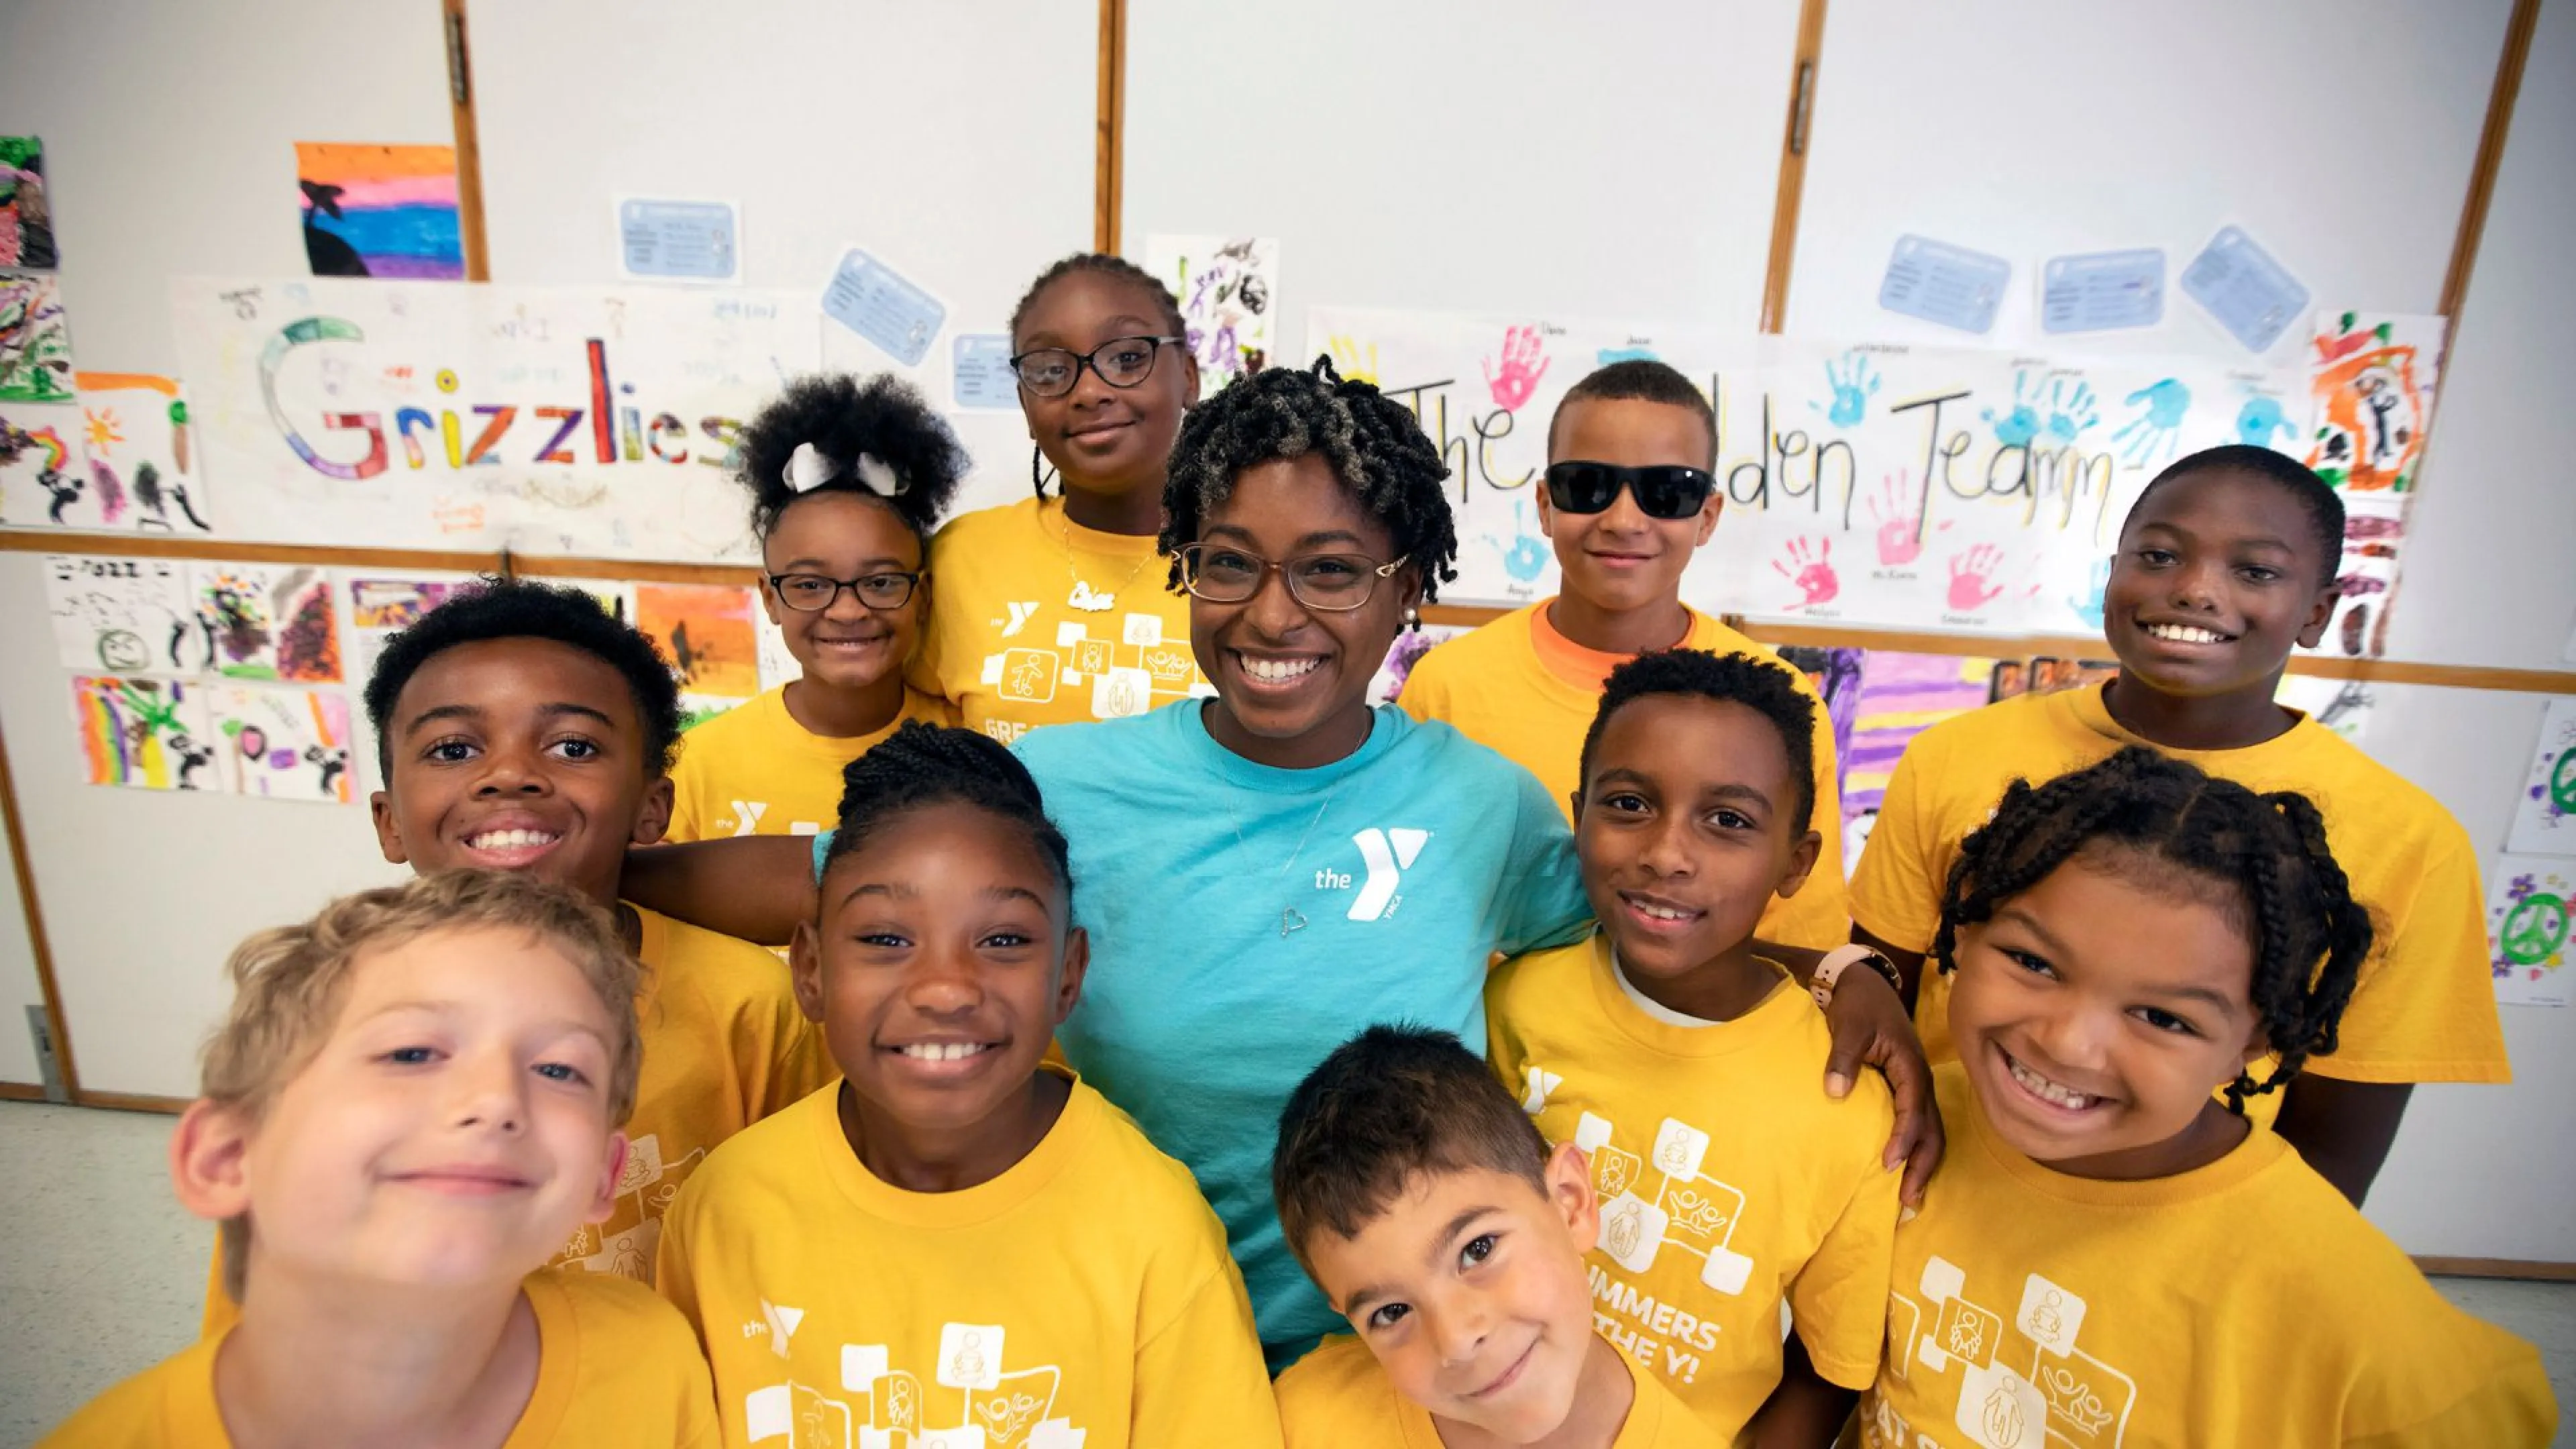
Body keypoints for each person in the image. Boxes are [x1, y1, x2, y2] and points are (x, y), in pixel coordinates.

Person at [621, 360, 1933, 1364]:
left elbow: (1656, 918)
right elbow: (830, 874)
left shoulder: (1483, 805)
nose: (1271, 615)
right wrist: (599, 875)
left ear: (1409, 585)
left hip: (1382, 1364)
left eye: (1331, 572)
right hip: (1113, 1335)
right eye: (1230, 565)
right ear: (1183, 568)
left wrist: (1842, 971)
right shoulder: (1068, 782)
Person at [1847, 444, 2509, 1203]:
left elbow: (2331, 1158)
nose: (2195, 590)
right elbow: (1879, 995)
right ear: (2111, 573)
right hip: (1934, 1188)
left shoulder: (2411, 843)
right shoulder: (1958, 756)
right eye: (2160, 555)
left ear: (2316, 613)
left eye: (2254, 571)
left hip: (2176, 1234)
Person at [1859, 748, 2555, 1446]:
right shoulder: (1899, 1123)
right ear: (1966, 931)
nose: (2069, 1043)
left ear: (2255, 1041)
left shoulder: (2350, 1317)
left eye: (2164, 1018)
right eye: (2034, 963)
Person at [657, 723, 1277, 1444]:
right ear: (811, 970)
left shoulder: (1153, 1227)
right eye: (887, 939)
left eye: (1004, 940)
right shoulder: (724, 1208)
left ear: (1069, 976)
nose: (946, 989)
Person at [45, 871, 718, 1447]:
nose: (495, 1100)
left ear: (604, 1174)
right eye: (412, 1053)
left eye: (559, 1068)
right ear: (225, 1157)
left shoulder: (652, 1355)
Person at [360, 580, 826, 1284]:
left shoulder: (753, 1009)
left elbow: (812, 1250)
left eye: (573, 746)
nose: (510, 775)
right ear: (390, 820)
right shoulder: (322, 1031)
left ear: (652, 808)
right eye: (454, 750)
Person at [1489, 649, 1896, 1441]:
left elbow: (1831, 1367)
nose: (1667, 854)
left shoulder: (1847, 1099)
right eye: (1631, 803)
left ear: (1796, 863)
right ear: (1578, 814)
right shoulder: (1513, 1006)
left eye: (1730, 821)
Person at [1398, 360, 1851, 949]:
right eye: (1587, 485)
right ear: (1544, 505)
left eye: (1668, 492)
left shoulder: (1775, 701)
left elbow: (1797, 938)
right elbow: (1412, 889)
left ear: (1707, 516)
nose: (1624, 520)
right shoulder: (1449, 686)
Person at [1269, 1025, 1719, 1448]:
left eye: (1477, 1250)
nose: (1457, 1339)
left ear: (1571, 1202)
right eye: (1391, 1312)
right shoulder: (1294, 1423)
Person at [909, 252, 1208, 743]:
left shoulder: (1250, 559)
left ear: (1188, 377)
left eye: (1128, 358)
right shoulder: (961, 557)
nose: (1089, 391)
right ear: (1026, 405)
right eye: (1049, 371)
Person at [663, 372, 961, 842]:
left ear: (921, 597)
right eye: (810, 584)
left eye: (881, 582)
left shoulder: (972, 747)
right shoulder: (696, 765)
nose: (847, 611)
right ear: (771, 599)